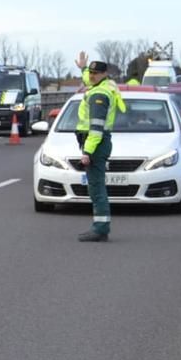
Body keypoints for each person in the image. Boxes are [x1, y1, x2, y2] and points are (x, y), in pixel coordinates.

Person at [74, 52, 126, 242]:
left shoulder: (99, 94)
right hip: (99, 141)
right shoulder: (105, 85)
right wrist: (83, 68)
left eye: (96, 73)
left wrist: (87, 151)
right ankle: (100, 227)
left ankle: (100, 229)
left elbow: (96, 127)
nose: (92, 76)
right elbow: (88, 80)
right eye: (91, 73)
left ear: (104, 74)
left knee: (96, 187)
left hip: (95, 142)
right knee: (96, 185)